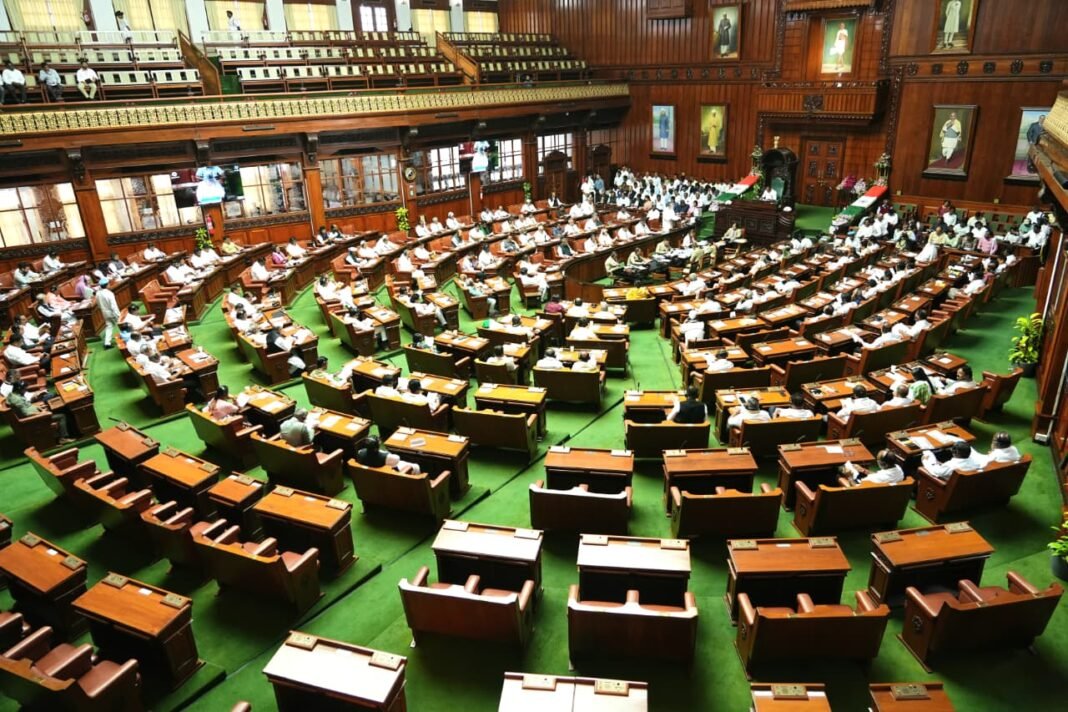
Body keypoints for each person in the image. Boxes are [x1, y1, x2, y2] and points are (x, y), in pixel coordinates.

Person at [5, 382, 72, 443]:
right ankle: (63, 438)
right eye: (24, 389)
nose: (25, 391)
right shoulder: (17, 400)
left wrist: (39, 408)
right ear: (19, 389)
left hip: (38, 413)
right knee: (62, 416)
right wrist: (42, 413)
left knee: (55, 407)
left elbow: (28, 404)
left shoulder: (15, 395)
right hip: (36, 420)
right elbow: (27, 414)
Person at [355, 436, 420, 474]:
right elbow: (397, 459)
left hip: (374, 474)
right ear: (377, 446)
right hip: (388, 475)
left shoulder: (360, 452)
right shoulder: (388, 457)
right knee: (415, 466)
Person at [96, 279, 120, 349]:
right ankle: (126, 338)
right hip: (112, 313)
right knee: (121, 325)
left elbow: (98, 304)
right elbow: (113, 306)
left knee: (109, 326)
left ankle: (107, 343)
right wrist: (118, 314)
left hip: (104, 312)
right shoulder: (109, 293)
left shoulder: (98, 293)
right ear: (107, 285)